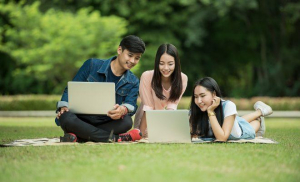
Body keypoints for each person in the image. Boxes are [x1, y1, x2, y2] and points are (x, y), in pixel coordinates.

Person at [55, 35, 145, 143]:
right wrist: (64, 106)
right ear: (119, 50)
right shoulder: (91, 65)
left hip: (107, 121)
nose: (132, 61)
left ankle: (79, 135)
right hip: (80, 119)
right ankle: (115, 138)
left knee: (127, 122)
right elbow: (70, 89)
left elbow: (131, 105)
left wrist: (123, 109)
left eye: (137, 58)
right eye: (130, 55)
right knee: (66, 117)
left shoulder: (134, 81)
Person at [189, 77, 273, 141]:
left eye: (203, 96)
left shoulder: (228, 106)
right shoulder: (197, 108)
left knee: (252, 123)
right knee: (238, 120)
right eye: (196, 97)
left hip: (241, 131)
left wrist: (210, 111)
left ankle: (259, 114)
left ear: (214, 94)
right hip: (234, 121)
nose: (199, 101)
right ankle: (259, 111)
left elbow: (221, 138)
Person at [134, 43, 188, 138]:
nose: (166, 68)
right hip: (145, 119)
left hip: (165, 119)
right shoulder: (147, 76)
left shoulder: (182, 78)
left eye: (170, 64)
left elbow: (172, 106)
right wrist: (141, 135)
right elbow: (148, 108)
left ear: (176, 63)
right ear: (157, 63)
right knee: (147, 135)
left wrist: (168, 129)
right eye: (161, 63)